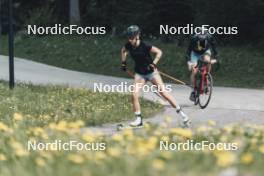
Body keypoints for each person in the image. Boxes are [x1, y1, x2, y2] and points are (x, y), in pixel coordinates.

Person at [121, 25, 191, 127]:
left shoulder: (145, 45)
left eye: (131, 37)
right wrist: (123, 62)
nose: (130, 40)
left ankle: (184, 116)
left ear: (137, 36)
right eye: (128, 37)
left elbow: (159, 52)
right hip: (140, 74)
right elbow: (123, 51)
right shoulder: (128, 45)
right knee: (134, 94)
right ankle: (139, 120)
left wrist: (154, 63)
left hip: (151, 73)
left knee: (164, 93)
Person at [186, 28, 218, 101]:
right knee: (194, 71)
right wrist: (188, 61)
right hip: (195, 53)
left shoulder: (209, 37)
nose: (202, 40)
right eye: (200, 38)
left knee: (208, 61)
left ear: (206, 36)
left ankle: (207, 75)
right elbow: (188, 51)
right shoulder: (193, 38)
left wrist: (216, 58)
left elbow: (214, 47)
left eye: (203, 38)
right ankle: (193, 91)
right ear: (197, 35)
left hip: (205, 51)